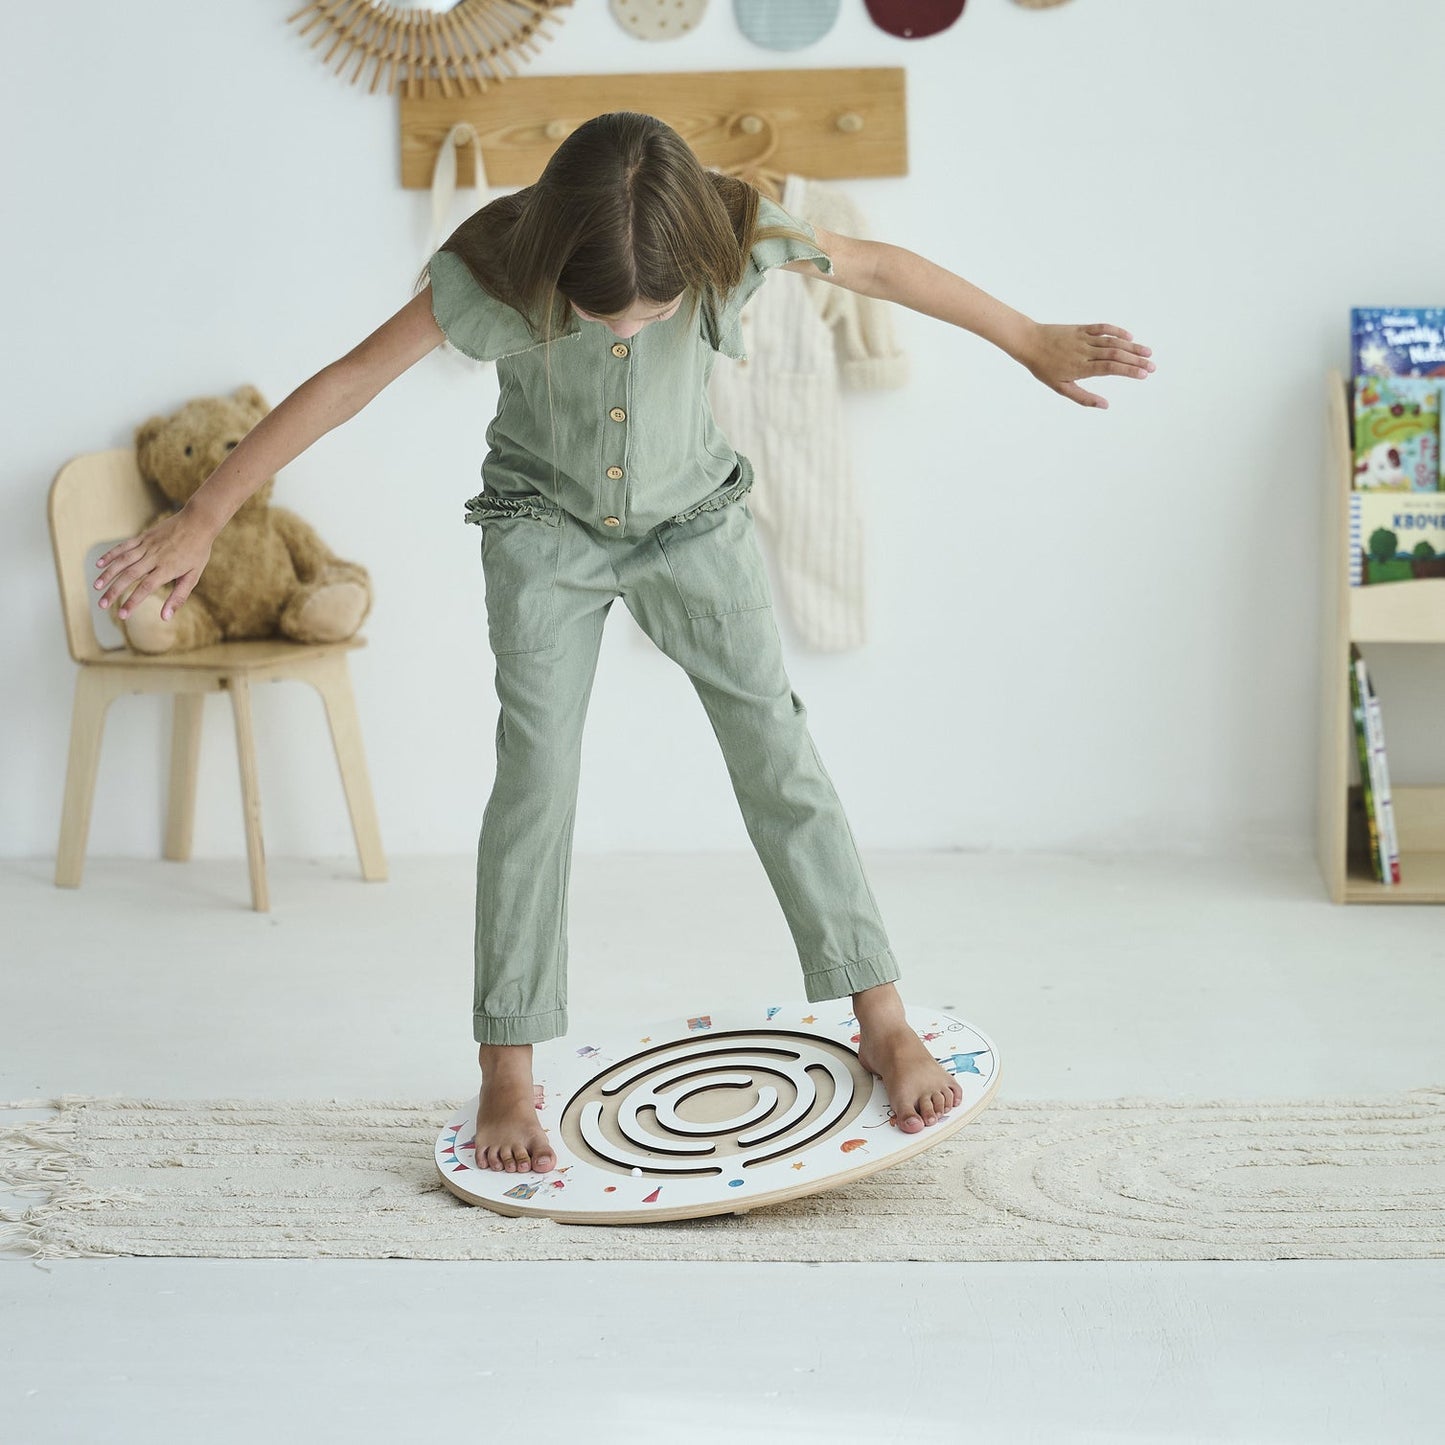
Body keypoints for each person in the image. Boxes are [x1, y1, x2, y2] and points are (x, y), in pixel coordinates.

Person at [93, 111, 1153, 1178]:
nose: (624, 337)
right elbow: (350, 378)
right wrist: (205, 514)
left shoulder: (732, 235)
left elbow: (874, 268)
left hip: (694, 525)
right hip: (540, 535)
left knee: (775, 752)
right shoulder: (498, 266)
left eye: (653, 319)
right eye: (601, 318)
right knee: (535, 780)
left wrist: (1027, 337)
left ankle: (877, 1011)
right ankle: (507, 1060)